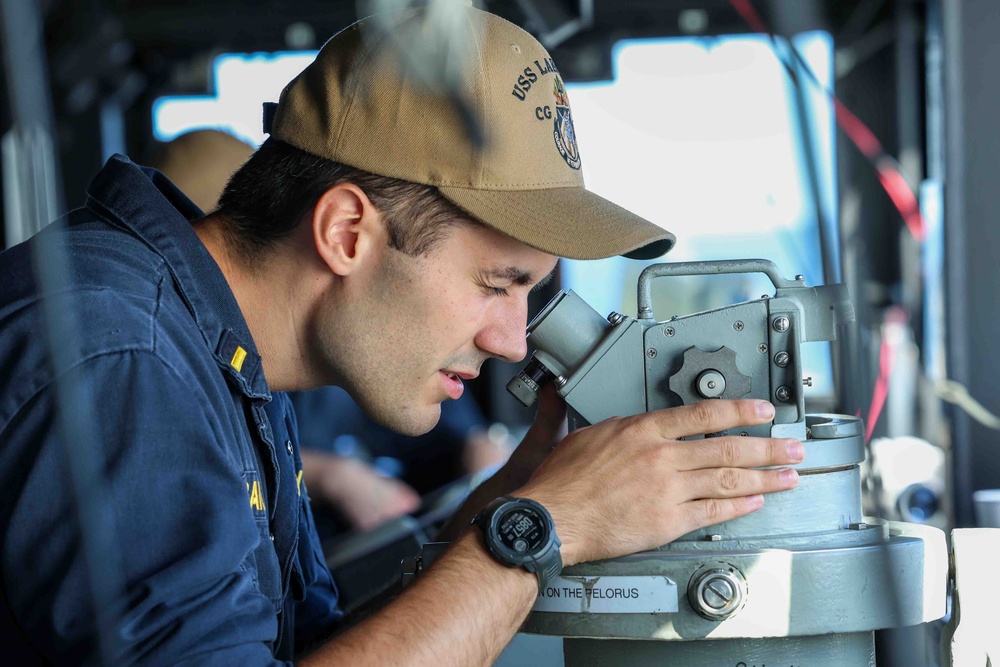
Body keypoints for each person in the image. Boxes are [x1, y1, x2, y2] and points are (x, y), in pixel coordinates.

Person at [0, 6, 804, 666]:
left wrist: (498, 513)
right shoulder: (124, 356)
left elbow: (300, 651)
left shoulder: (223, 349)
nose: (513, 342)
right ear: (348, 231)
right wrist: (542, 533)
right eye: (497, 285)